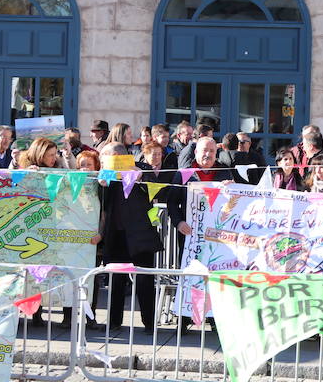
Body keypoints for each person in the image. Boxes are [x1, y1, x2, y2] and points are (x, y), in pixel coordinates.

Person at [98, 143, 163, 334]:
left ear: (117, 155)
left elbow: (157, 190)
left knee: (144, 282)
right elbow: (100, 201)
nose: (102, 160)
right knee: (116, 281)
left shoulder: (142, 168)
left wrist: (141, 176)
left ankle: (150, 323)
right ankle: (114, 321)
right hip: (116, 233)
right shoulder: (106, 173)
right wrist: (101, 185)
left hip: (140, 235)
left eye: (105, 156)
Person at [165, 137, 233, 265]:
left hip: (217, 235)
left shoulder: (224, 172)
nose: (208, 154)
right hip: (190, 233)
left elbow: (235, 203)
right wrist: (179, 222)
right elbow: (172, 202)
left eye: (212, 151)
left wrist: (232, 189)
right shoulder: (184, 173)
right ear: (196, 152)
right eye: (205, 150)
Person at [58, 150, 103, 331]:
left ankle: (90, 316)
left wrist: (101, 233)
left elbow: (105, 212)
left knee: (91, 280)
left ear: (96, 167)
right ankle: (67, 316)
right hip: (71, 237)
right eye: (82, 164)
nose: (85, 168)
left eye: (89, 165)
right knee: (69, 276)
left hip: (93, 240)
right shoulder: (69, 183)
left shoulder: (100, 184)